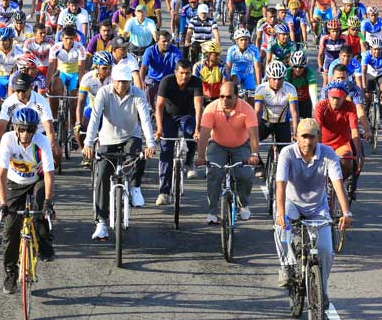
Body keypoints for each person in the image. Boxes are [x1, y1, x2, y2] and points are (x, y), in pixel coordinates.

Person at [273, 118, 352, 294]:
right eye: (304, 136)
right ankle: (286, 265)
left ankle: (322, 291)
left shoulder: (328, 153)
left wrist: (346, 212)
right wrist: (281, 213)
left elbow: (338, 183)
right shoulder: (287, 153)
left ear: (319, 138)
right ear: (296, 137)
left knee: (325, 250)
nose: (308, 141)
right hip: (290, 202)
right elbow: (281, 185)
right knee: (281, 229)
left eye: (312, 137)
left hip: (317, 207)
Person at [83, 65, 156, 239]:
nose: (122, 86)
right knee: (101, 177)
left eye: (125, 82)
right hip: (107, 138)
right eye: (118, 82)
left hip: (131, 135)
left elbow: (145, 120)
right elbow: (95, 119)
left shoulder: (137, 93)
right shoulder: (103, 93)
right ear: (113, 80)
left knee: (138, 154)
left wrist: (150, 143)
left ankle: (135, 186)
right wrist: (88, 143)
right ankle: (101, 222)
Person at [0, 107, 56, 294]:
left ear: (35, 130)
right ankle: (10, 273)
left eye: (30, 129)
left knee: (40, 213)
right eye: (21, 129)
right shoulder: (7, 140)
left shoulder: (42, 141)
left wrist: (48, 202)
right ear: (15, 128)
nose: (25, 134)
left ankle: (44, 243)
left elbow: (48, 175)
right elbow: (1, 175)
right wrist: (3, 205)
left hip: (36, 180)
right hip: (15, 182)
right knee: (10, 230)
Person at [195, 80, 259, 224]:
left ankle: (244, 204)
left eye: (229, 97)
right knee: (214, 174)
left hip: (241, 145)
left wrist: (254, 154)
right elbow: (204, 134)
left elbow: (253, 134)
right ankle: (212, 212)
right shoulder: (211, 109)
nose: (224, 100)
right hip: (217, 145)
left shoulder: (247, 109)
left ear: (237, 97)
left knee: (245, 174)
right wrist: (200, 156)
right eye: (222, 96)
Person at [155, 59, 203, 205]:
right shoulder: (166, 82)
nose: (185, 76)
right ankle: (164, 192)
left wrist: (197, 130)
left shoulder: (195, 82)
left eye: (187, 73)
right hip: (168, 117)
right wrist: (159, 129)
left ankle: (189, 161)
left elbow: (198, 107)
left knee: (191, 132)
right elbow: (159, 107)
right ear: (176, 72)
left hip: (187, 115)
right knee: (166, 151)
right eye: (181, 73)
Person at [315, 80, 363, 200]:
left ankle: (346, 184)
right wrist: (318, 150)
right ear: (328, 96)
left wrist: (357, 153)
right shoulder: (321, 106)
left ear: (345, 97)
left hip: (342, 144)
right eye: (333, 97)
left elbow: (354, 131)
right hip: (324, 143)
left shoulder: (350, 106)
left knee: (348, 162)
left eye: (339, 98)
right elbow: (317, 130)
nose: (335, 101)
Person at [254, 60, 299, 178]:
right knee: (250, 140)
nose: (277, 82)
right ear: (268, 78)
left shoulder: (290, 89)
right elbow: (257, 112)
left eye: (280, 79)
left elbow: (294, 113)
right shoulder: (261, 89)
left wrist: (296, 132)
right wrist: (253, 130)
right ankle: (259, 164)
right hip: (266, 122)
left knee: (287, 152)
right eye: (274, 79)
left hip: (282, 123)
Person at [75, 51, 113, 162]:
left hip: (108, 108)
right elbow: (81, 102)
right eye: (104, 68)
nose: (108, 71)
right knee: (79, 130)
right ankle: (85, 153)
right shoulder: (87, 78)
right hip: (92, 107)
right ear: (96, 67)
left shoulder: (114, 77)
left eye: (110, 68)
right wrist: (78, 122)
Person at [140, 31, 183, 109]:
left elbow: (179, 66)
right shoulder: (149, 50)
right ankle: (152, 110)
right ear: (157, 41)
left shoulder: (175, 51)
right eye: (164, 41)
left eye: (168, 41)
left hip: (169, 78)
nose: (167, 43)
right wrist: (141, 81)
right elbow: (143, 67)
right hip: (153, 78)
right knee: (148, 89)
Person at [360, 37, 382, 115]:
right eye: (375, 49)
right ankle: (367, 108)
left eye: (379, 49)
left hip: (381, 73)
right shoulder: (366, 55)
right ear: (371, 48)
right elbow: (364, 71)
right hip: (369, 73)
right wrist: (364, 86)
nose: (377, 51)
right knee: (368, 94)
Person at [226, 28, 261, 97]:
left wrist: (259, 85)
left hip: (248, 75)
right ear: (236, 41)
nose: (244, 42)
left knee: (251, 98)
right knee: (233, 82)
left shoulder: (254, 50)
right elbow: (228, 67)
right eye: (241, 40)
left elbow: (257, 68)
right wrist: (227, 83)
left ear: (249, 40)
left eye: (246, 39)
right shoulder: (232, 50)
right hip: (236, 73)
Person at [286, 50, 318, 119]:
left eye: (301, 67)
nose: (297, 69)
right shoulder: (287, 72)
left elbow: (313, 95)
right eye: (295, 66)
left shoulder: (310, 73)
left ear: (305, 66)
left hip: (305, 102)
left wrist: (316, 110)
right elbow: (283, 91)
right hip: (292, 101)